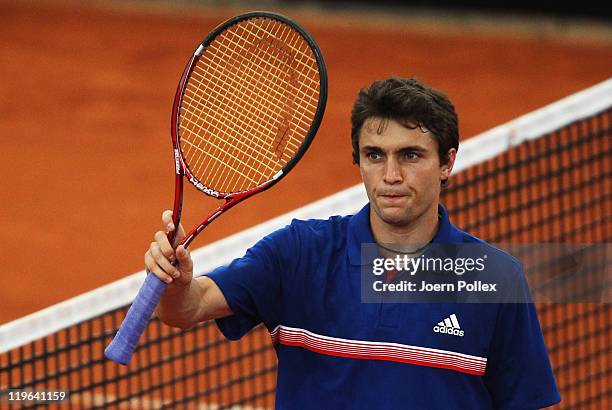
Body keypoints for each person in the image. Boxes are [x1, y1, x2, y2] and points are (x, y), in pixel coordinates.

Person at [145, 77, 561, 409]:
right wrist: (177, 284)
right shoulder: (299, 253)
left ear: (447, 162)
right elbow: (187, 309)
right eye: (375, 155)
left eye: (411, 155)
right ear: (359, 160)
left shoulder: (495, 280)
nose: (391, 175)